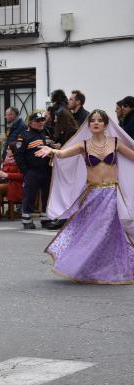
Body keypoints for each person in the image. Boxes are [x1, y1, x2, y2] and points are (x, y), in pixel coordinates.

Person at [35, 110, 134, 284]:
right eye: (92, 121)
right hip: (93, 193)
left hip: (111, 193)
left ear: (105, 124)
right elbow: (63, 154)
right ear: (88, 125)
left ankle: (109, 268)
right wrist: (52, 150)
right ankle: (88, 266)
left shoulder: (115, 143)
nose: (96, 123)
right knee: (90, 231)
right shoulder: (84, 145)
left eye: (99, 120)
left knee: (108, 230)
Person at [15, 111, 55, 230]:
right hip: (32, 171)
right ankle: (27, 219)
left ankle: (45, 219)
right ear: (31, 123)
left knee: (47, 195)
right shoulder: (24, 136)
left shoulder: (46, 133)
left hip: (47, 170)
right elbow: (18, 155)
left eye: (43, 120)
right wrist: (25, 171)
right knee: (30, 195)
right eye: (38, 121)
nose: (41, 122)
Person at [0, 142, 23, 221]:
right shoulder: (7, 159)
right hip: (4, 182)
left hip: (14, 184)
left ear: (14, 150)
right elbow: (3, 171)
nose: (7, 151)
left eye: (9, 149)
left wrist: (7, 175)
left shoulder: (20, 160)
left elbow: (22, 176)